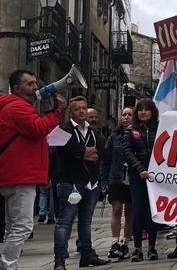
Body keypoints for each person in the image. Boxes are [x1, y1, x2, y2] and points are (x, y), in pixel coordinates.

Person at [0, 70, 65, 270]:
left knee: (12, 227)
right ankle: (7, 265)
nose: (35, 87)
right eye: (30, 84)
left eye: (35, 82)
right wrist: (57, 111)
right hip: (21, 174)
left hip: (14, 174)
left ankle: (9, 263)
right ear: (17, 88)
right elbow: (38, 127)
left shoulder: (13, 106)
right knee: (24, 226)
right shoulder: (17, 107)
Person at [53, 96, 110, 269]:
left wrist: (84, 153)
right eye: (78, 108)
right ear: (71, 112)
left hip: (90, 183)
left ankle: (87, 255)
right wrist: (83, 153)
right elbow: (67, 152)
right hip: (70, 182)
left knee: (86, 221)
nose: (82, 111)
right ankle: (60, 260)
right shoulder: (62, 130)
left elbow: (102, 151)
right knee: (64, 221)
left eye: (84, 108)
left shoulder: (93, 131)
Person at [121, 98, 160, 262]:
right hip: (137, 176)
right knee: (137, 211)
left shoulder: (160, 128)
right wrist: (140, 169)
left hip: (155, 176)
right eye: (140, 109)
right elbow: (127, 151)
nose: (143, 112)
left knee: (153, 212)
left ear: (152, 111)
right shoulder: (130, 130)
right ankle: (137, 248)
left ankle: (152, 247)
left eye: (147, 109)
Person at [100, 107, 134, 261]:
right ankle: (114, 242)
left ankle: (125, 242)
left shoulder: (137, 135)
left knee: (130, 212)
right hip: (116, 177)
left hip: (132, 178)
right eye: (124, 115)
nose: (126, 117)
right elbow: (106, 159)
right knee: (116, 209)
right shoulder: (114, 137)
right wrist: (104, 179)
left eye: (129, 115)